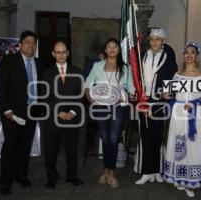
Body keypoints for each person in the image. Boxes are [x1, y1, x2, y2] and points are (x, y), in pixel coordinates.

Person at [0, 30, 44, 195]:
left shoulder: (39, 63)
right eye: (28, 42)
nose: (31, 45)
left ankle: (21, 176)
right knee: (10, 147)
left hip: (32, 112)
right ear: (20, 45)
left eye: (33, 43)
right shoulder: (9, 60)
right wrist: (6, 109)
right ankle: (5, 181)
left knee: (25, 146)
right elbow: (1, 86)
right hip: (12, 114)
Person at [163, 42, 201, 198]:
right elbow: (170, 94)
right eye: (186, 52)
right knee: (178, 144)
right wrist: (166, 96)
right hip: (178, 114)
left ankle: (191, 180)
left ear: (197, 56)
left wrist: (195, 102)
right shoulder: (177, 75)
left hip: (195, 114)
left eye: (192, 52)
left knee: (194, 145)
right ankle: (180, 177)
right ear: (183, 55)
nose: (189, 54)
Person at [84, 38, 134, 188]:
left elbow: (131, 88)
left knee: (113, 138)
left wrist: (131, 95)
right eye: (109, 47)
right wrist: (88, 95)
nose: (112, 49)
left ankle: (111, 173)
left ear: (118, 50)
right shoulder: (97, 66)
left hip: (118, 106)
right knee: (105, 138)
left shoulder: (125, 68)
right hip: (100, 106)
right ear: (105, 50)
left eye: (115, 47)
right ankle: (106, 170)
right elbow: (88, 83)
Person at [134, 28, 178, 185]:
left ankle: (157, 170)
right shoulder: (141, 57)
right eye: (152, 39)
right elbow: (136, 78)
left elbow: (173, 81)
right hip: (143, 102)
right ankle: (146, 171)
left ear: (163, 42)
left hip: (160, 104)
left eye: (158, 39)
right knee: (145, 137)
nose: (154, 42)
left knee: (158, 138)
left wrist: (169, 93)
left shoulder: (169, 59)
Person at [41, 41, 83, 189]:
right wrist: (58, 112)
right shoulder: (46, 73)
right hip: (53, 118)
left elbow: (80, 95)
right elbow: (45, 96)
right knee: (51, 149)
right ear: (53, 54)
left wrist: (72, 112)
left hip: (72, 118)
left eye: (63, 52)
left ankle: (72, 176)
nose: (61, 55)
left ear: (68, 53)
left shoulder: (77, 71)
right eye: (58, 52)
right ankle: (51, 177)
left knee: (72, 149)